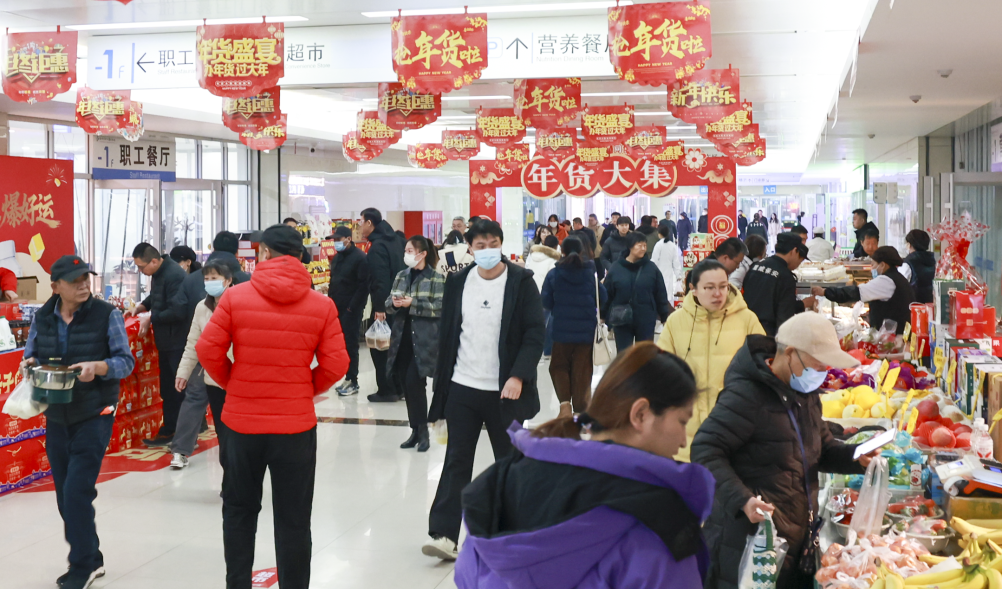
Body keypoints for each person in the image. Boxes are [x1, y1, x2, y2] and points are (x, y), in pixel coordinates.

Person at [455, 343, 714, 589]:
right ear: (641, 414)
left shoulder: (506, 482)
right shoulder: (663, 524)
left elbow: (469, 572)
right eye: (682, 421)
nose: (683, 441)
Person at [196, 224, 348, 589]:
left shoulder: (235, 298)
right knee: (294, 519)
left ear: (263, 252)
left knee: (239, 511)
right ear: (299, 256)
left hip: (241, 425)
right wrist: (304, 388)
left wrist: (234, 383)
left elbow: (207, 349)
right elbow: (337, 363)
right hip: (294, 427)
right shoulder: (322, 305)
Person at [692, 313, 876, 589]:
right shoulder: (746, 395)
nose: (822, 372)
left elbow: (821, 448)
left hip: (793, 542)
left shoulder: (805, 393)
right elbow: (705, 450)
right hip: (749, 544)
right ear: (790, 354)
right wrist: (742, 499)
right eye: (817, 365)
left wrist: (856, 457)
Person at [424, 220, 545, 561]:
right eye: (480, 245)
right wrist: (441, 385)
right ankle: (444, 535)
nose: (487, 250)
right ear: (470, 248)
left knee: (510, 463)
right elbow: (449, 334)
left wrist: (518, 376)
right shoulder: (458, 281)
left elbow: (535, 334)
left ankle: (517, 532)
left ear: (501, 244)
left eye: (493, 243)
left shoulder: (521, 281)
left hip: (505, 392)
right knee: (456, 460)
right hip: (462, 387)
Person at [20, 255, 135, 589]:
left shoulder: (107, 315)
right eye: (75, 280)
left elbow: (125, 362)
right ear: (56, 287)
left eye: (86, 278)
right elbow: (31, 354)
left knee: (76, 492)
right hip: (56, 413)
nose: (83, 285)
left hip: (94, 412)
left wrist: (98, 368)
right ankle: (93, 557)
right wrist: (30, 364)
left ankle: (82, 566)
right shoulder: (43, 317)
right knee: (64, 495)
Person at [658, 259, 764, 462]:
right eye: (709, 288)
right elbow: (660, 371)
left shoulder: (747, 320)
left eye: (723, 286)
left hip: (733, 431)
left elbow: (762, 370)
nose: (718, 293)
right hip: (685, 434)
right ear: (693, 289)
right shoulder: (676, 322)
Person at [169, 260, 235, 470]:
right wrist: (183, 372)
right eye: (207, 279)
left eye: (214, 278)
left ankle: (236, 464)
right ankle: (180, 451)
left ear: (228, 280)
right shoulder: (202, 307)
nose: (210, 282)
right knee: (194, 403)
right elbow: (193, 343)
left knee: (232, 422)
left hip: (234, 371)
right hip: (207, 369)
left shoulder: (239, 303)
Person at [386, 236, 446, 453]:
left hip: (424, 339)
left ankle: (423, 432)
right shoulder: (401, 275)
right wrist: (394, 303)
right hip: (401, 338)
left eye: (410, 250)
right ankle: (415, 430)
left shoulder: (436, 278)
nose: (406, 254)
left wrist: (413, 303)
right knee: (406, 385)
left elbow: (440, 307)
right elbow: (388, 303)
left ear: (422, 254)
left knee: (415, 384)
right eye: (406, 250)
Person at [126, 243, 188, 447]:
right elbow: (157, 296)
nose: (140, 271)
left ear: (154, 261)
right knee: (168, 389)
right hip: (166, 341)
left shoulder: (174, 275)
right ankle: (170, 430)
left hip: (176, 341)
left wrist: (151, 318)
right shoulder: (159, 273)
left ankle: (182, 435)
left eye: (141, 267)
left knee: (178, 390)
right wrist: (142, 307)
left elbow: (178, 311)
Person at [541, 236, 607, 418]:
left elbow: (546, 301)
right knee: (582, 370)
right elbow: (603, 297)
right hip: (586, 332)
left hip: (561, 330)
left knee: (559, 366)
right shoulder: (590, 274)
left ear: (562, 251)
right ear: (581, 251)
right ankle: (581, 411)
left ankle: (564, 406)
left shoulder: (554, 274)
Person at [360, 207, 407, 403]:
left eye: (361, 222)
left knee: (380, 348)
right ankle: (399, 387)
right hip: (401, 303)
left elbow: (380, 280)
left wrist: (380, 309)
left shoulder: (378, 247)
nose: (360, 227)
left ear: (369, 223)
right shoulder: (397, 241)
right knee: (397, 348)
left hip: (385, 307)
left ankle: (387, 390)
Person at [812, 246, 915, 334]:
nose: (872, 268)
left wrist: (825, 292)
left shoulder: (886, 281)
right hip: (898, 332)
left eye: (873, 265)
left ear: (883, 265)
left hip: (892, 335)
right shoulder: (898, 278)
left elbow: (855, 293)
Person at [603, 232, 671, 351]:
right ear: (630, 246)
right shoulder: (616, 268)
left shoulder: (651, 268)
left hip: (646, 318)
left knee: (645, 354)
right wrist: (603, 316)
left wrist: (664, 316)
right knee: (624, 355)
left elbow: (660, 293)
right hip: (622, 319)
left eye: (645, 245)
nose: (643, 248)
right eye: (639, 245)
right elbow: (607, 294)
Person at [743, 233, 816, 337]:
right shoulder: (785, 276)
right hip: (767, 335)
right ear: (794, 251)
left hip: (747, 329)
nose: (798, 263)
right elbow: (784, 317)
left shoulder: (756, 266)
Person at [328, 225, 369, 397]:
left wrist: (352, 307)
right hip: (336, 308)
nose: (336, 243)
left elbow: (363, 286)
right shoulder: (338, 258)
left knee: (351, 344)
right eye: (334, 240)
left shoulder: (360, 258)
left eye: (339, 239)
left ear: (348, 239)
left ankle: (353, 379)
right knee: (342, 345)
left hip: (351, 309)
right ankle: (346, 377)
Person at [526, 235, 560, 359]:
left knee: (534, 324)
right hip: (545, 294)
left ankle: (532, 349)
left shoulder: (532, 256)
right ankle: (547, 351)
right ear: (556, 247)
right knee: (549, 323)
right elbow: (553, 280)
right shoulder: (553, 260)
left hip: (531, 292)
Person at [901, 229, 935, 303]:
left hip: (913, 305)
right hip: (931, 304)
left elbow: (899, 285)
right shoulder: (933, 261)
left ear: (909, 245)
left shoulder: (908, 263)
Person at [651, 224, 682, 299]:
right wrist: (678, 275)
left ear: (659, 234)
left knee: (659, 293)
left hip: (658, 272)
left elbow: (654, 260)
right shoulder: (672, 245)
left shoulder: (658, 245)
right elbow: (676, 262)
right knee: (668, 293)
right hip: (669, 273)